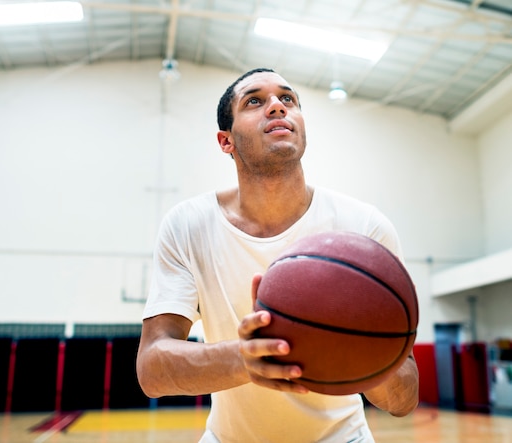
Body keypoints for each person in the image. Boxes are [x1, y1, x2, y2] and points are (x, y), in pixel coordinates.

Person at [136, 68, 419, 443]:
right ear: (226, 141)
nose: (276, 107)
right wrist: (246, 357)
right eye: (254, 101)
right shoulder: (188, 225)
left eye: (288, 99)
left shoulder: (363, 226)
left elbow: (405, 398)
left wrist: (368, 354)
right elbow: (152, 368)